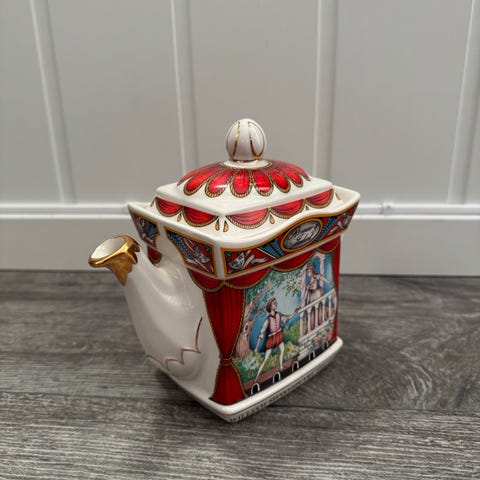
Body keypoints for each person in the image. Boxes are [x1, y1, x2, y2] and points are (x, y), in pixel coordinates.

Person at [254, 298, 296, 381]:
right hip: (272, 338)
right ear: (270, 306)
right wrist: (256, 347)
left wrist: (295, 311)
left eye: (275, 303)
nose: (275, 304)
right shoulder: (268, 320)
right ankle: (256, 378)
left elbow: (287, 317)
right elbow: (261, 333)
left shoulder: (278, 314)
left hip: (279, 335)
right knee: (266, 359)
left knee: (282, 350)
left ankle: (281, 367)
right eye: (274, 303)